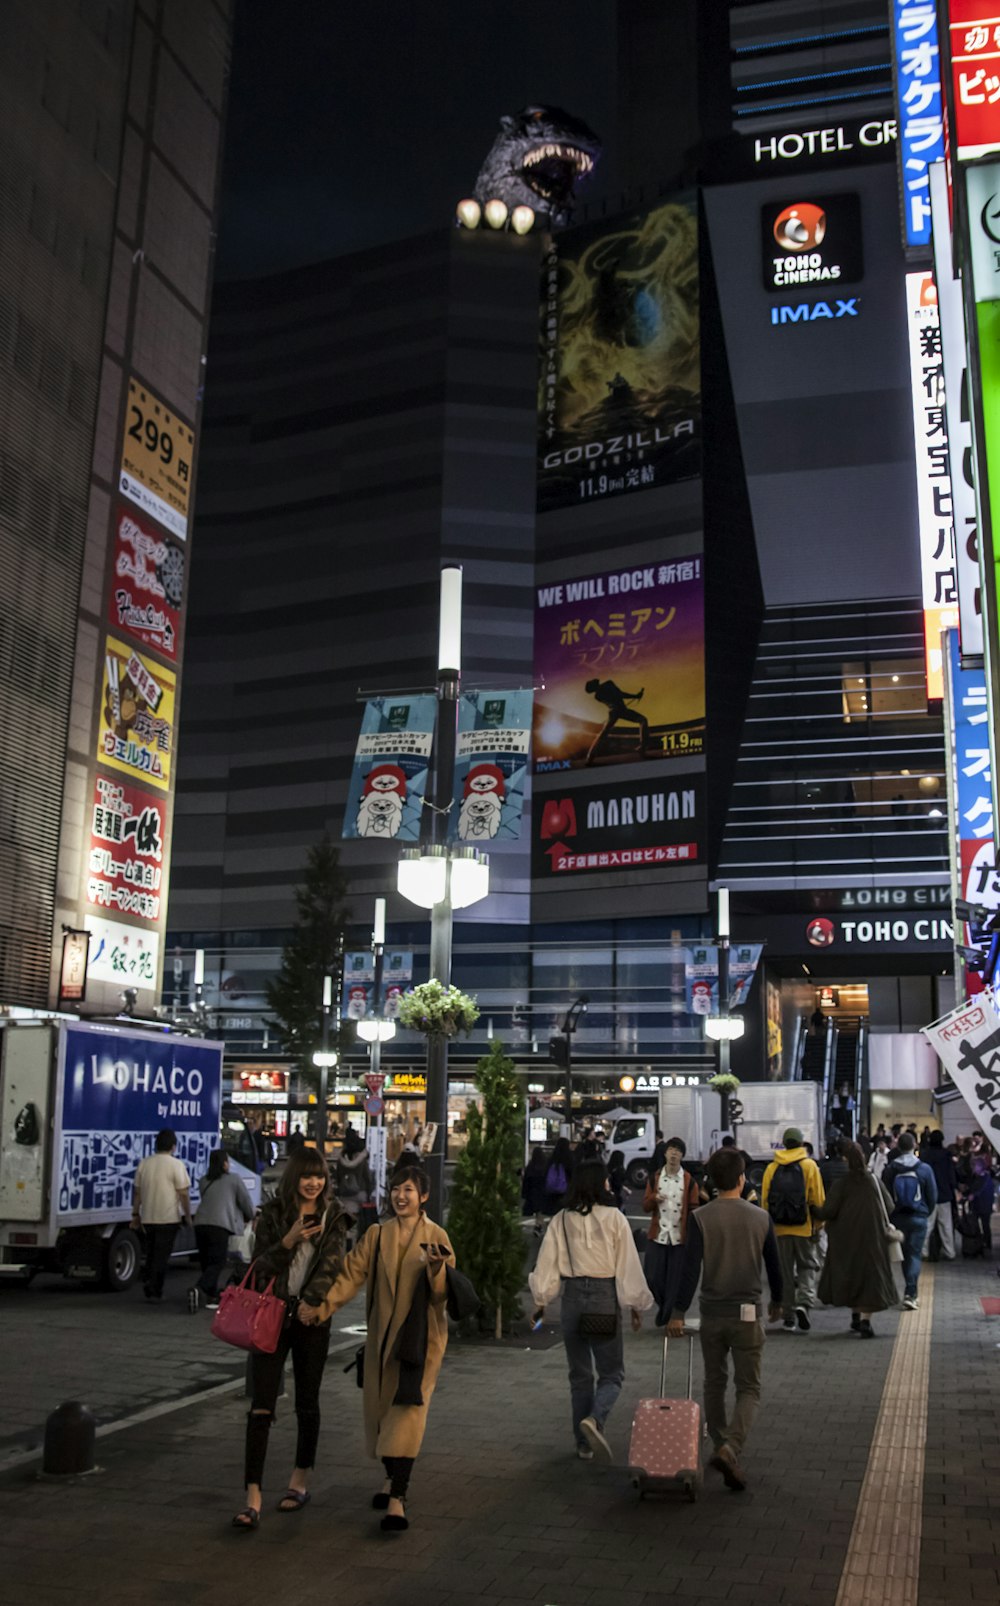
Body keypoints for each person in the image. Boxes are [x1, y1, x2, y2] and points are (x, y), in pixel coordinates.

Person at [299, 1164, 454, 1532]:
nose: (401, 1196)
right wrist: (320, 1307)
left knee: (406, 1416)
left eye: (410, 1191)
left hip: (420, 1345)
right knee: (384, 1415)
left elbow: (443, 1295)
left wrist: (436, 1269)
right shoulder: (377, 1236)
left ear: (424, 1197)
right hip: (382, 1342)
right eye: (397, 1189)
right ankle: (390, 1479)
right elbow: (350, 1276)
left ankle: (398, 1500)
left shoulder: (437, 1235)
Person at [232, 1148, 347, 1530]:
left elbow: (333, 1265)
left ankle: (299, 1481)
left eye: (320, 1176)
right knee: (261, 1404)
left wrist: (312, 1304)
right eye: (307, 1176)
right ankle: (252, 1495)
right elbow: (258, 1268)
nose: (313, 1183)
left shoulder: (334, 1216)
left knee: (307, 1403)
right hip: (271, 1316)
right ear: (293, 1177)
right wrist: (288, 1240)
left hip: (311, 1319)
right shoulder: (274, 1213)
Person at [667, 1146, 783, 1493]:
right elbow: (775, 1267)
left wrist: (676, 1312)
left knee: (714, 1382)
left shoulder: (702, 1218)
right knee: (749, 1386)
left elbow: (689, 1271)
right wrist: (778, 1300)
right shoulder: (760, 1217)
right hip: (748, 1313)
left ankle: (720, 1442)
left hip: (712, 1313)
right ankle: (731, 1448)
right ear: (741, 1178)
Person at [530, 1159, 652, 1464]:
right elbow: (627, 1265)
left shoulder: (561, 1219)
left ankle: (582, 1444)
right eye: (606, 1180)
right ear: (599, 1184)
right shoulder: (614, 1218)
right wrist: (636, 1305)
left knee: (580, 1376)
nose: (609, 1184)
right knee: (612, 1374)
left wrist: (541, 1301)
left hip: (571, 1298)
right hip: (603, 1297)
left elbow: (547, 1263)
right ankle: (595, 1420)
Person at [811, 1141, 898, 1337]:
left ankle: (856, 1317)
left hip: (845, 1239)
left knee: (852, 1275)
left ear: (845, 1161)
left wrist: (813, 1209)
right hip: (873, 1239)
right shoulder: (874, 1180)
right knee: (869, 1279)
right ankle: (865, 1320)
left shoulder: (841, 1184)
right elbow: (890, 1206)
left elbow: (828, 1211)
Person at [761, 1126, 825, 1333]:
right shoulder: (809, 1166)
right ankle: (803, 1304)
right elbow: (817, 1199)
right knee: (807, 1267)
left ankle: (788, 1318)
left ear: (784, 1143)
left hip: (779, 1230)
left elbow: (764, 1201)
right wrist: (818, 1226)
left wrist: (768, 1230)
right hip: (804, 1228)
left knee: (785, 1274)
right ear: (800, 1143)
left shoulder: (772, 1168)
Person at [642, 1136, 701, 1325]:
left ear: (682, 1156)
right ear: (665, 1153)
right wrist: (653, 1198)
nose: (674, 1154)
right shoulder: (655, 1177)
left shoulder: (689, 1181)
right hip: (658, 1235)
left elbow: (694, 1208)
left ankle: (666, 1315)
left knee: (675, 1280)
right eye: (671, 1150)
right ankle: (664, 1307)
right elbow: (645, 1205)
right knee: (652, 1277)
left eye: (678, 1151)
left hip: (679, 1237)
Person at [131, 1129, 193, 1301]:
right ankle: (155, 1290)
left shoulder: (144, 1163)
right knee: (162, 1256)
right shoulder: (176, 1165)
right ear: (173, 1146)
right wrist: (187, 1215)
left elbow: (137, 1193)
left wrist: (136, 1214)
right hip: (168, 1219)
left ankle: (149, 1284)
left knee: (151, 1253)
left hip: (148, 1218)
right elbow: (183, 1193)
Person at [189, 1149, 255, 1311]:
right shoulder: (234, 1179)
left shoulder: (204, 1180)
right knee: (218, 1262)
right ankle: (198, 1289)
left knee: (206, 1263)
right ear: (225, 1164)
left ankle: (210, 1295)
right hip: (220, 1226)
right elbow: (245, 1202)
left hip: (200, 1224)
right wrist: (252, 1214)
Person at [883, 1131, 937, 1310]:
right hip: (918, 1217)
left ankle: (903, 1292)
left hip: (898, 1218)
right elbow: (932, 1196)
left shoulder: (890, 1169)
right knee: (914, 1255)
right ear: (915, 1146)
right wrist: (925, 1212)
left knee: (903, 1255)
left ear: (898, 1147)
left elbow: (885, 1196)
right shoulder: (924, 1169)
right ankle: (911, 1293)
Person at [583, 677, 651, 764]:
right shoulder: (609, 683)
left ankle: (589, 757)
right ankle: (642, 747)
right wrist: (636, 696)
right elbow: (620, 694)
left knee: (603, 734)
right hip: (621, 710)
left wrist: (635, 696)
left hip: (613, 712)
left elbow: (618, 696)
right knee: (643, 720)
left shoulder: (597, 696)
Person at [922, 1131, 958, 1262]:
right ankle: (950, 1252)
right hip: (944, 1194)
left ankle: (923, 1251)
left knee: (927, 1225)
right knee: (946, 1225)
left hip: (929, 1195)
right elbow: (951, 1175)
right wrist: (953, 1188)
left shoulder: (925, 1155)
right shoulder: (946, 1155)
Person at [334, 1127, 375, 1241]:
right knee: (358, 1224)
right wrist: (369, 1193)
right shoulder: (362, 1159)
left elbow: (338, 1176)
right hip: (360, 1194)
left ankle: (347, 1245)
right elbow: (367, 1178)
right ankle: (355, 1249)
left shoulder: (341, 1159)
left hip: (345, 1194)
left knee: (348, 1224)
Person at [543, 1136, 574, 1215]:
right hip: (565, 1190)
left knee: (553, 1213)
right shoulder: (569, 1158)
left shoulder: (552, 1159)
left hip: (552, 1191)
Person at [522, 1146, 550, 1228]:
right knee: (543, 1210)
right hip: (545, 1192)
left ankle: (538, 1224)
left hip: (533, 1193)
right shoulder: (546, 1165)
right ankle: (542, 1224)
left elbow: (526, 1181)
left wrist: (524, 1194)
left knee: (537, 1211)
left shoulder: (531, 1166)